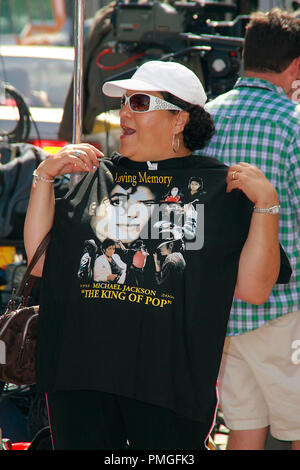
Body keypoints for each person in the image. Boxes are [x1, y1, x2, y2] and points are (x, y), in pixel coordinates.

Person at [24, 60, 289, 450]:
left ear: (179, 119)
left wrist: (267, 205)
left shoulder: (220, 187)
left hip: (169, 387)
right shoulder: (99, 176)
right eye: (125, 102)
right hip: (80, 379)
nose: (125, 111)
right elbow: (42, 260)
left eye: (141, 102)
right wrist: (43, 179)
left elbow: (253, 289)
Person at [201, 9, 300, 450]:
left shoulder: (203, 119)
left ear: (245, 56)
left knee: (243, 430)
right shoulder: (294, 125)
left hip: (220, 305)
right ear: (295, 66)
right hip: (284, 308)